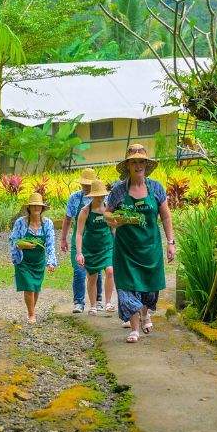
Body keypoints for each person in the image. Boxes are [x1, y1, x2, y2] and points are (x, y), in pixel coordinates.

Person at [105, 144, 175, 343]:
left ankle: (145, 314)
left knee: (148, 287)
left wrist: (171, 242)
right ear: (128, 165)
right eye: (134, 161)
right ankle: (134, 328)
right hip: (125, 250)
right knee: (128, 286)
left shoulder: (156, 188)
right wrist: (118, 219)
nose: (138, 165)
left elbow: (166, 217)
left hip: (150, 248)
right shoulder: (119, 191)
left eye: (141, 161)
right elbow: (107, 213)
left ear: (146, 164)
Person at [9, 191, 58, 324]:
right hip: (23, 260)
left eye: (39, 206)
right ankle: (31, 315)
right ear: (29, 208)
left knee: (36, 288)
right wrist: (21, 245)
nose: (36, 208)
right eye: (33, 206)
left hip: (38, 261)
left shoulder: (47, 223)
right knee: (29, 287)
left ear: (42, 208)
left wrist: (51, 262)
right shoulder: (20, 222)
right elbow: (13, 240)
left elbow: (50, 244)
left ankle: (31, 310)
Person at [60, 168, 100, 313]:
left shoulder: (101, 197)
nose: (86, 187)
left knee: (96, 271)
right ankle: (78, 302)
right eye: (84, 184)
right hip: (79, 238)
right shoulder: (75, 198)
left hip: (96, 239)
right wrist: (63, 239)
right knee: (79, 270)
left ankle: (98, 300)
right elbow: (67, 219)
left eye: (89, 184)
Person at [74, 178, 115, 315]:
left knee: (110, 271)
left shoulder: (108, 209)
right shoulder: (85, 211)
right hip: (90, 249)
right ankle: (92, 305)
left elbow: (113, 228)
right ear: (92, 196)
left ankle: (108, 302)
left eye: (101, 195)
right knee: (92, 277)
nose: (99, 198)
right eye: (97, 196)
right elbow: (79, 233)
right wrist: (79, 253)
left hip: (107, 246)